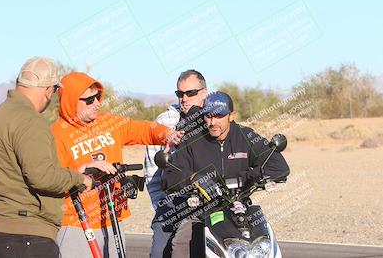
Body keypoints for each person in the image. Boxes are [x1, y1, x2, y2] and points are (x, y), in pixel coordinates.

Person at [50, 72, 183, 258]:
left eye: (98, 97)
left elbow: (143, 129)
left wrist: (167, 134)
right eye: (89, 100)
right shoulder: (56, 134)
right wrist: (83, 169)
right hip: (76, 223)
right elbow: (51, 178)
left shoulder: (108, 123)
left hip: (112, 218)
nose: (97, 103)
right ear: (71, 101)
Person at [0, 57, 104, 258]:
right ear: (48, 90)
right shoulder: (30, 121)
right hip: (28, 238)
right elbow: (42, 177)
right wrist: (79, 178)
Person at [161, 91, 290, 258]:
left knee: (266, 245)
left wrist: (249, 176)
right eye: (208, 116)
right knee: (181, 244)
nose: (213, 122)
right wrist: (194, 178)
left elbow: (279, 168)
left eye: (219, 116)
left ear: (231, 115)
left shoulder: (246, 136)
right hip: (201, 212)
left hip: (242, 208)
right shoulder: (192, 140)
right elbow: (169, 176)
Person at [144, 69, 208, 258]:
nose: (184, 98)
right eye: (180, 94)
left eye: (191, 93)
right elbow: (151, 172)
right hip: (172, 203)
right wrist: (162, 207)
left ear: (204, 93)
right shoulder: (164, 122)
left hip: (208, 203)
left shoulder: (213, 119)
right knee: (159, 253)